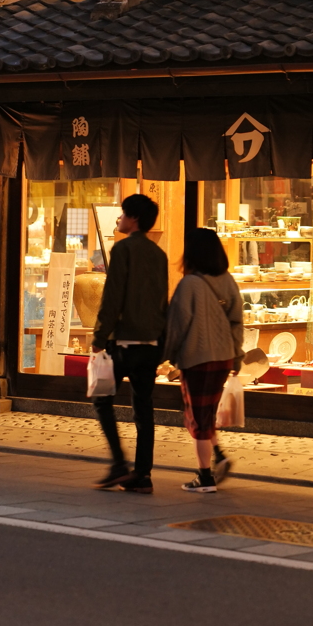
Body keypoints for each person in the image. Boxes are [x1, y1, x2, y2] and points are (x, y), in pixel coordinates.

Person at [91, 191, 168, 494]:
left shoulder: (122, 250)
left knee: (101, 398)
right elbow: (161, 300)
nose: (119, 219)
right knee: (143, 408)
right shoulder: (158, 254)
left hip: (121, 343)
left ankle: (118, 464)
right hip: (150, 344)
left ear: (133, 218)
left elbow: (113, 297)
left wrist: (99, 336)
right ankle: (143, 474)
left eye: (122, 214)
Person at [164, 228, 243, 493]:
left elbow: (177, 324)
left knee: (197, 418)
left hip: (197, 358)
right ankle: (218, 455)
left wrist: (168, 355)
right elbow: (237, 321)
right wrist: (237, 356)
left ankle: (205, 476)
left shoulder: (189, 284)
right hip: (223, 357)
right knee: (205, 414)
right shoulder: (227, 280)